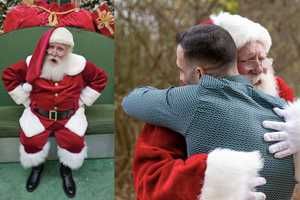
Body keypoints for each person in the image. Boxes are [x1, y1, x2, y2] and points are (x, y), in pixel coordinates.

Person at [122, 24, 300, 200]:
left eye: (181, 70)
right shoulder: (283, 109)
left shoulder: (194, 99)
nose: (180, 78)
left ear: (200, 73)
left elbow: (131, 101)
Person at [1, 27, 108, 198]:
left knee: (74, 143)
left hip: (69, 116)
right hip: (39, 115)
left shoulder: (80, 64)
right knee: (31, 142)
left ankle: (66, 170)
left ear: (68, 50)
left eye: (60, 48)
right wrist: (26, 100)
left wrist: (83, 100)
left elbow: (100, 78)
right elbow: (9, 75)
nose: (54, 52)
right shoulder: (32, 62)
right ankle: (37, 167)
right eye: (51, 47)